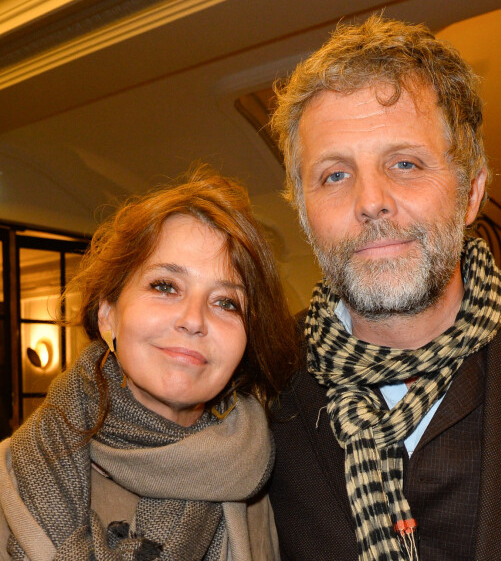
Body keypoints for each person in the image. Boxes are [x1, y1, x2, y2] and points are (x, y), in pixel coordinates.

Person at [268, 14, 501, 561]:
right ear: (303, 212)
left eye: (405, 163)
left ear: (471, 193)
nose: (371, 201)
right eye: (334, 175)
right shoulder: (261, 384)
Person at [0, 166, 298, 560]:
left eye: (226, 302)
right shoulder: (13, 478)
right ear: (108, 315)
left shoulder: (262, 487)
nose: (194, 319)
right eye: (165, 286)